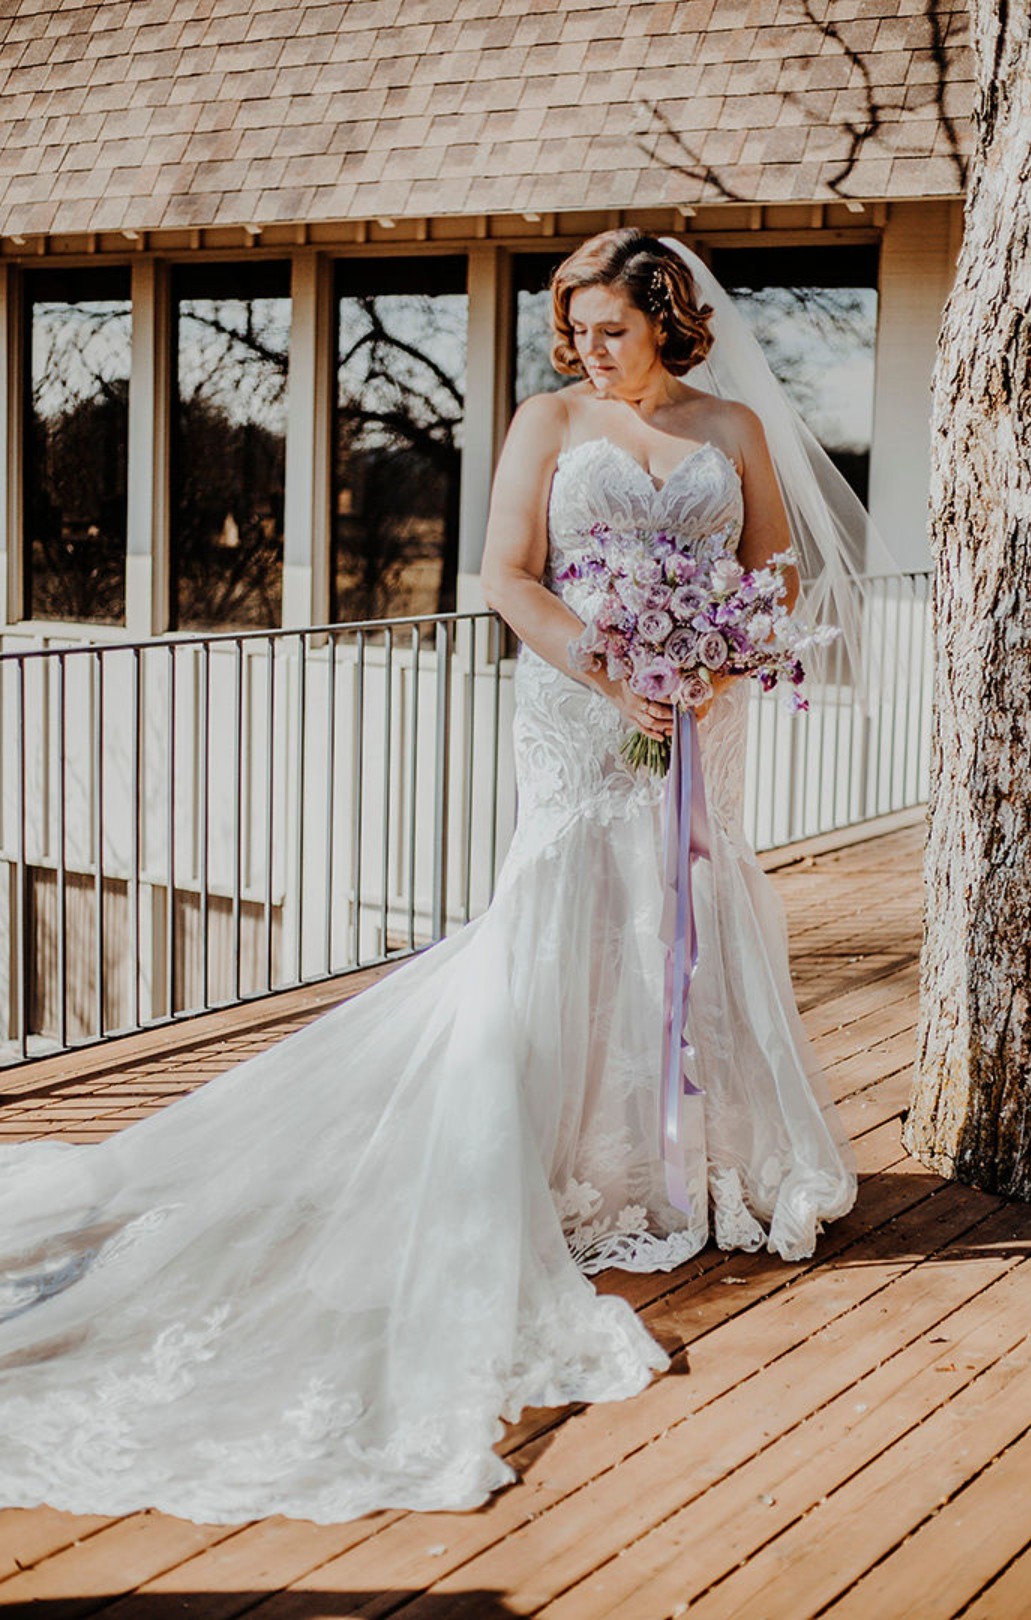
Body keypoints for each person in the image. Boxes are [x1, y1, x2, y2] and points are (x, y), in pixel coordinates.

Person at [0, 229, 857, 1526]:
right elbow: (506, 573)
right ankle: (557, 1162)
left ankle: (687, 1170)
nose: (587, 346)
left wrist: (717, 661)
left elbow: (775, 574)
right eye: (575, 325)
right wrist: (608, 663)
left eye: (609, 325)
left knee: (686, 904)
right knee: (568, 913)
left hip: (700, 717)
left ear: (670, 319)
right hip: (581, 706)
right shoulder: (547, 417)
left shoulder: (733, 424)